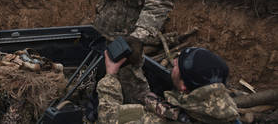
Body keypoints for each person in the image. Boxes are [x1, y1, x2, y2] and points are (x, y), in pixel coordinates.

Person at [97, 47, 240, 123]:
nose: (175, 61)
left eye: (179, 65)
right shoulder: (226, 112)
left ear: (184, 86)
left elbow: (108, 116)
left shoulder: (156, 121)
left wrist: (110, 75)